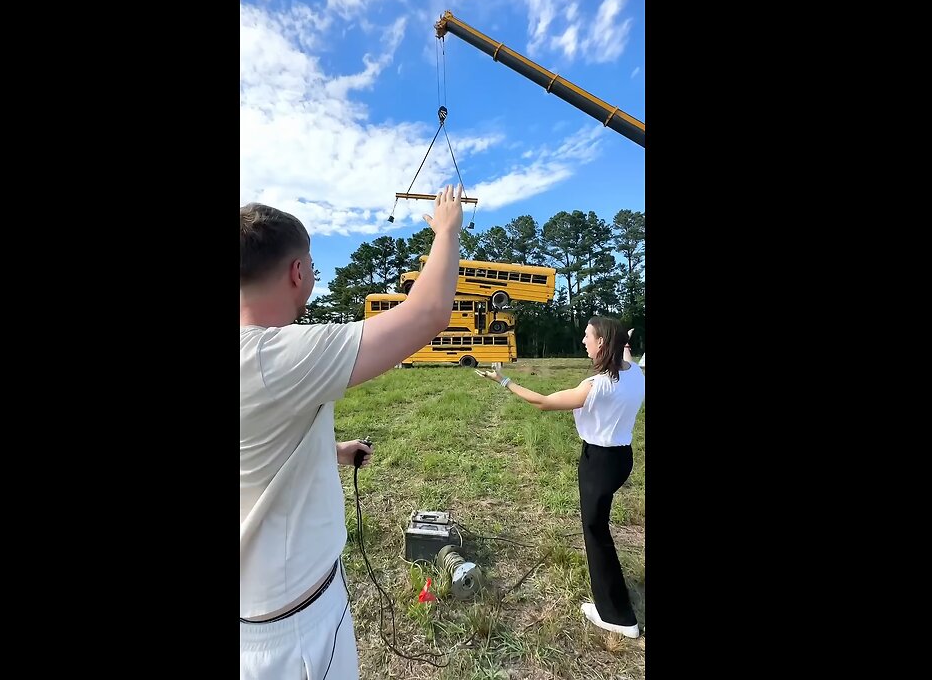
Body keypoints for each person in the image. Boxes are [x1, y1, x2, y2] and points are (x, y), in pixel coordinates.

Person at [240, 186, 463, 679]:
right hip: (294, 628)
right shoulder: (274, 356)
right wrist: (447, 231)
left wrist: (332, 450)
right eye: (313, 265)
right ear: (298, 273)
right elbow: (426, 314)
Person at [476, 316, 645, 639]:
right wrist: (626, 340)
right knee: (599, 529)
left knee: (596, 535)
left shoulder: (596, 387)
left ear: (601, 344)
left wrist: (503, 381)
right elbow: (625, 355)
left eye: (588, 336)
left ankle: (617, 616)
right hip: (622, 459)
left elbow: (543, 402)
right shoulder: (635, 373)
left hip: (598, 463)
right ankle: (613, 607)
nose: (583, 341)